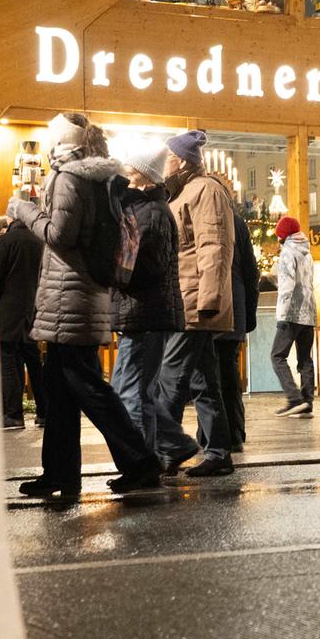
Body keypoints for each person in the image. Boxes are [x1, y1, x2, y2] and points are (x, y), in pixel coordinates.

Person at [10, 112, 160, 498]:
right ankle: (60, 473)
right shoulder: (99, 179)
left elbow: (59, 235)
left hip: (70, 297)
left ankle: (140, 462)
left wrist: (24, 211)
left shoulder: (69, 177)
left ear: (60, 144)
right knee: (61, 389)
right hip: (84, 295)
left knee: (88, 387)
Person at [154, 129, 237, 476]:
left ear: (183, 161)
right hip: (185, 299)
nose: (163, 162)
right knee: (204, 381)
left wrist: (210, 299)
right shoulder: (183, 192)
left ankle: (163, 452)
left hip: (194, 301)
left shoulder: (206, 190)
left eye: (168, 156)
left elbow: (214, 246)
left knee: (170, 380)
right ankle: (218, 453)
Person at [109, 141, 183, 452]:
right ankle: (165, 450)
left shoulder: (151, 213)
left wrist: (117, 275)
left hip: (146, 314)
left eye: (130, 173)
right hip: (143, 313)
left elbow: (147, 268)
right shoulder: (144, 208)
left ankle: (142, 462)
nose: (125, 178)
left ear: (146, 178)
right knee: (131, 389)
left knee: (132, 392)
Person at [203, 176, 259, 450]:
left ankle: (211, 436)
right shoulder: (238, 223)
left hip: (210, 310)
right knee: (228, 375)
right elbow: (251, 272)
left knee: (207, 376)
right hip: (233, 310)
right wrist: (248, 314)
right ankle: (234, 435)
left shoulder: (203, 218)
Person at [0, 214, 46, 432]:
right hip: (31, 310)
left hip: (7, 311)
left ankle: (13, 414)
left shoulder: (5, 242)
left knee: (6, 359)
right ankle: (45, 411)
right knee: (33, 361)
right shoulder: (40, 242)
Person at [271, 216, 317, 417]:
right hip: (309, 311)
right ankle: (307, 403)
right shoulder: (307, 252)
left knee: (277, 356)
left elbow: (286, 286)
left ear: (283, 236)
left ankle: (294, 399)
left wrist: (281, 314)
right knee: (305, 359)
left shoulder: (287, 253)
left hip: (291, 312)